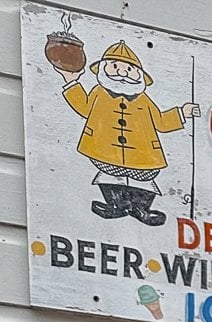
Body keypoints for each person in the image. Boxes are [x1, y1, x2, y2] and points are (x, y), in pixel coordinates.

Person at [56, 40, 200, 226]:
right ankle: (115, 205)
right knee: (109, 176)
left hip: (143, 154)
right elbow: (84, 107)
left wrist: (182, 112)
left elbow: (161, 122)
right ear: (103, 68)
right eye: (115, 66)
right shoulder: (99, 92)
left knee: (144, 180)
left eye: (129, 69)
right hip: (105, 150)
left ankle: (142, 209)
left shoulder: (144, 100)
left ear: (139, 75)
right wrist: (71, 81)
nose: (123, 72)